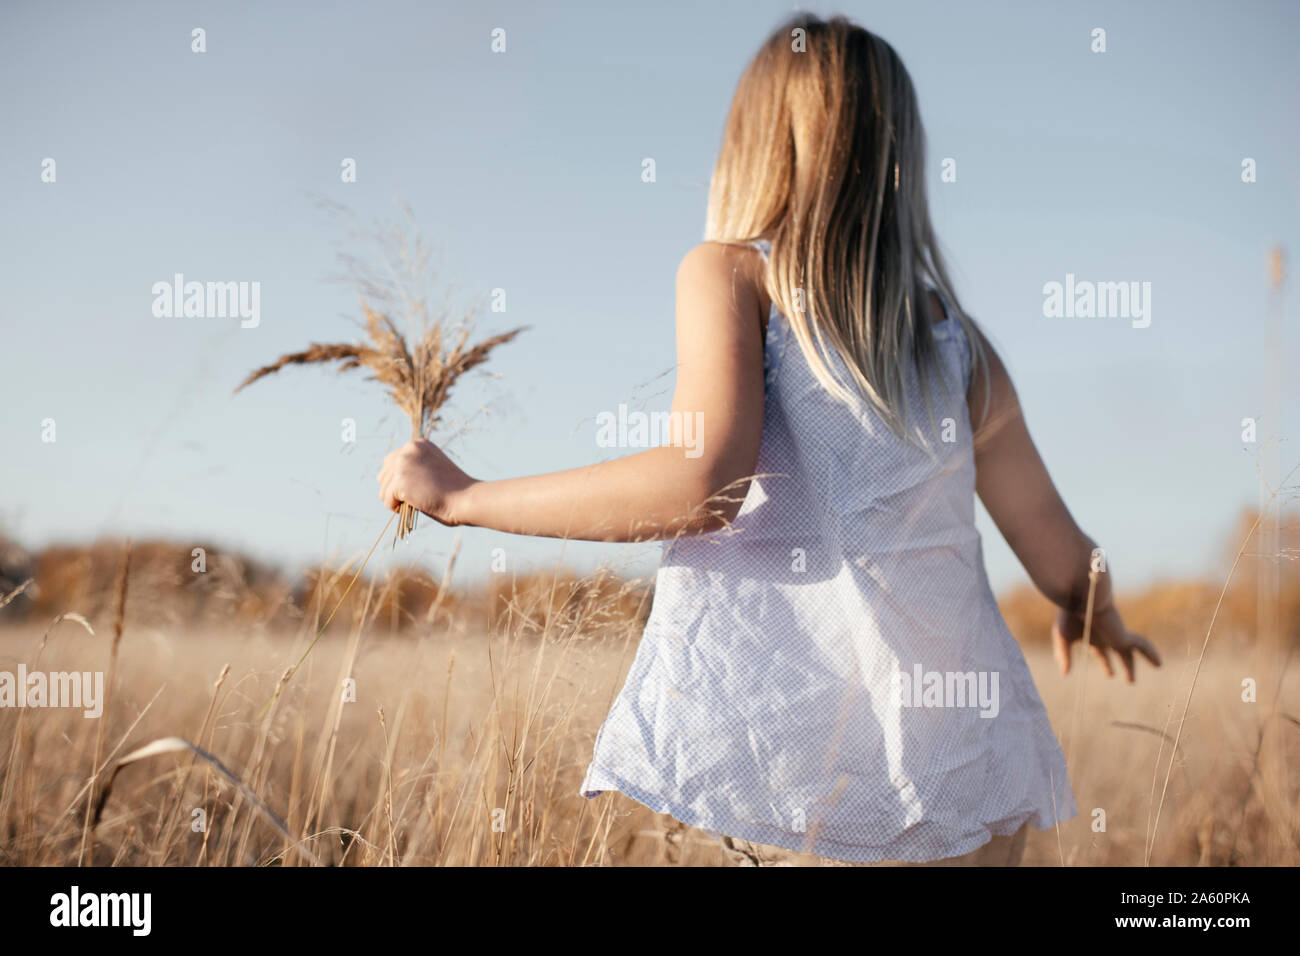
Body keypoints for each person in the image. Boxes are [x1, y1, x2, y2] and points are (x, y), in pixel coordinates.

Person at [377, 13, 1160, 866]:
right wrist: (1100, 615)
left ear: (752, 143)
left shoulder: (731, 274)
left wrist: (467, 497)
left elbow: (698, 485)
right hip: (972, 776)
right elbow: (1061, 551)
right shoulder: (957, 342)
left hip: (812, 779)